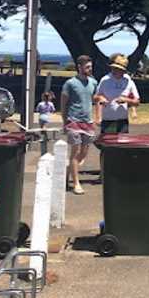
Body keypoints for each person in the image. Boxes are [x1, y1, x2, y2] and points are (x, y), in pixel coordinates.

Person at [60, 55, 98, 195]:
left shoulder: (93, 82)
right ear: (79, 67)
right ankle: (76, 183)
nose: (90, 69)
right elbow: (63, 103)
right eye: (87, 67)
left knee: (84, 153)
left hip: (87, 122)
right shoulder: (70, 83)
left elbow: (94, 99)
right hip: (73, 121)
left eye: (91, 66)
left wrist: (97, 115)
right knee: (75, 152)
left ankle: (67, 174)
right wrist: (65, 121)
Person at [95, 53, 140, 135]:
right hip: (108, 119)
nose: (114, 70)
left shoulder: (128, 81)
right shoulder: (105, 80)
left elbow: (137, 102)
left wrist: (126, 100)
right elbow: (96, 97)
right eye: (114, 68)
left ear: (123, 70)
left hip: (122, 121)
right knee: (108, 144)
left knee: (122, 145)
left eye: (118, 69)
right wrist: (98, 116)